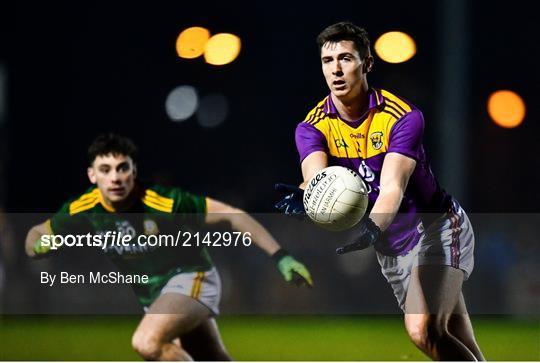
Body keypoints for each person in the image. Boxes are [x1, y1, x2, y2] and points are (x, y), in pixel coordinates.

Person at [275, 21, 484, 361]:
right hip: (393, 248)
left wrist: (371, 228)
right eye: (328, 61)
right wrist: (307, 195)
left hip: (436, 230)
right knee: (453, 339)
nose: (336, 69)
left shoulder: (402, 117)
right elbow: (317, 177)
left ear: (367, 63)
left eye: (346, 58)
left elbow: (392, 187)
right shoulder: (311, 127)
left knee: (423, 330)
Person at [26, 133, 312, 361]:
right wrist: (37, 245)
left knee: (147, 342)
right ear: (92, 175)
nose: (115, 177)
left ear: (133, 171)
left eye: (122, 168)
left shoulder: (163, 202)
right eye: (105, 169)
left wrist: (280, 257)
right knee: (212, 357)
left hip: (191, 277)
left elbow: (229, 213)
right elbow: (37, 233)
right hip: (158, 295)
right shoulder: (84, 208)